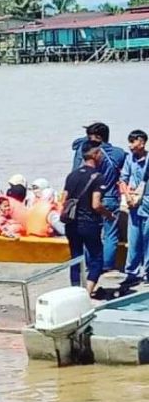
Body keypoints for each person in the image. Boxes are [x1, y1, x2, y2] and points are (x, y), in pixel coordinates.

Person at [62, 144, 113, 294]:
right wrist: (108, 214)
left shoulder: (72, 175)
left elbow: (64, 199)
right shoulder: (98, 177)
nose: (102, 156)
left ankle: (75, 291)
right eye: (101, 153)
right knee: (97, 258)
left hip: (71, 223)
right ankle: (87, 292)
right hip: (89, 223)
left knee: (76, 257)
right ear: (95, 155)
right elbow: (96, 204)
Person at [78, 122, 125, 268]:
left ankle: (90, 265)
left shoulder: (86, 152)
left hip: (90, 198)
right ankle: (106, 266)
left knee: (90, 233)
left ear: (97, 137)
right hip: (111, 197)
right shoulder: (118, 153)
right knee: (110, 235)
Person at [120, 129, 149, 285]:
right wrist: (127, 195)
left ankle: (147, 272)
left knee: (147, 239)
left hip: (147, 202)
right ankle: (131, 271)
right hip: (133, 204)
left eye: (133, 142)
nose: (130, 146)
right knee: (134, 238)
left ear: (142, 142)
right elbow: (123, 179)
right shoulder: (129, 159)